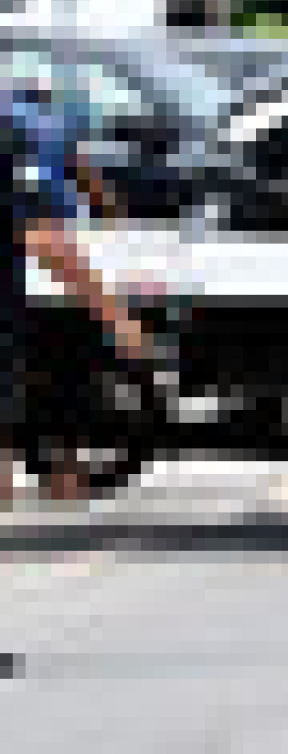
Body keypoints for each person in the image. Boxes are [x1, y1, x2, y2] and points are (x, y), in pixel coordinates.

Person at [2, 93, 148, 525]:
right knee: (63, 355)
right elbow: (51, 241)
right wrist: (116, 316)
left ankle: (60, 473)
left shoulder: (30, 129)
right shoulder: (31, 129)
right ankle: (62, 474)